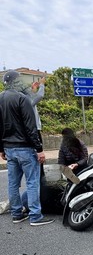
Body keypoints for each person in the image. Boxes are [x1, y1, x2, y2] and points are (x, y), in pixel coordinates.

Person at [0, 70, 54, 226]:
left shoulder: (1, 98)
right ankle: (35, 216)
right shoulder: (22, 99)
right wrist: (39, 149)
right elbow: (31, 128)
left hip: (9, 148)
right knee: (32, 182)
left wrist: (1, 148)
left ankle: (17, 214)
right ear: (17, 81)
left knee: (12, 183)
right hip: (25, 147)